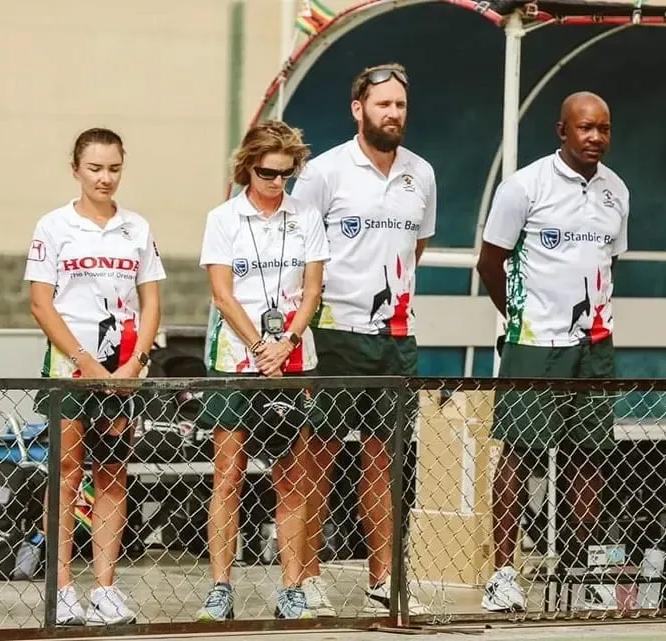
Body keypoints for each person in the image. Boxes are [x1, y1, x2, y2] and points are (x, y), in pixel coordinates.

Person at [290, 63, 434, 617]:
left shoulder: (422, 173)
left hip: (396, 338)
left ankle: (383, 578)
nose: (393, 113)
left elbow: (414, 249)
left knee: (385, 460)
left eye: (400, 105)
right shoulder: (324, 172)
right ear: (358, 109)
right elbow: (301, 255)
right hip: (334, 334)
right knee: (317, 460)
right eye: (383, 104)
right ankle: (307, 577)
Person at [476, 92, 628, 612]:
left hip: (595, 344)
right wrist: (521, 315)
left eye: (604, 128)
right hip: (535, 341)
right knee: (519, 452)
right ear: (562, 131)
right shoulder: (524, 186)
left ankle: (582, 571)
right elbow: (490, 263)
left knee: (590, 455)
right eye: (586, 128)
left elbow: (608, 263)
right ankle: (503, 575)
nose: (596, 137)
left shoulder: (617, 191)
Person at [26, 127, 165, 626]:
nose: (105, 178)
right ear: (76, 170)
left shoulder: (137, 228)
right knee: (66, 474)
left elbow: (151, 301)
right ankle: (61, 589)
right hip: (71, 370)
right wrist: (85, 362)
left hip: (123, 373)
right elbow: (41, 304)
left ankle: (104, 590)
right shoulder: (53, 226)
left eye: (113, 168)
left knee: (112, 474)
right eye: (95, 168)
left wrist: (135, 363)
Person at [194, 120, 329, 622]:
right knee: (228, 475)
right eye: (267, 173)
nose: (276, 183)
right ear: (248, 166)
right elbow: (222, 294)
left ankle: (292, 587)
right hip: (235, 357)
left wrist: (286, 342)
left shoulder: (306, 216)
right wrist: (258, 346)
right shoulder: (223, 217)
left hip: (292, 360)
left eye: (285, 174)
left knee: (291, 476)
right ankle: (220, 587)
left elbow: (312, 290)